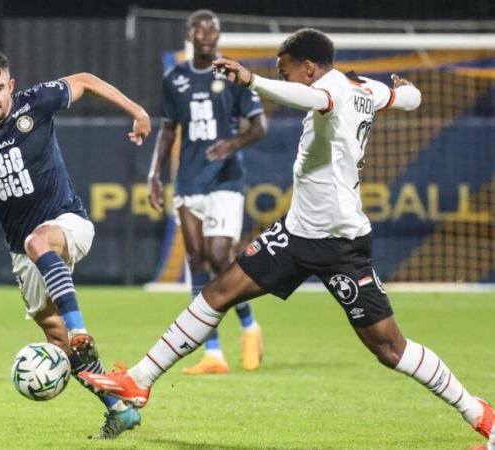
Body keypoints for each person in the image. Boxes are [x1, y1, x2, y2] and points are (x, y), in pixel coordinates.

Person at [79, 29, 495, 449]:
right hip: (296, 232)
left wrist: (253, 81)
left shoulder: (329, 89)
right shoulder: (364, 85)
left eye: (288, 71)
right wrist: (408, 92)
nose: (287, 77)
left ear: (309, 68)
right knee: (218, 292)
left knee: (390, 350)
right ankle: (138, 381)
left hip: (339, 243)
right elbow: (407, 99)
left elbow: (314, 99)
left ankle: (481, 415)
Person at [0, 47, 151, 439]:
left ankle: (80, 326)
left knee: (41, 241)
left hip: (68, 223)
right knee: (59, 343)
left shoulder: (35, 102)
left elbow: (85, 79)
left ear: (10, 85)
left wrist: (137, 110)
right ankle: (119, 410)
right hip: (23, 252)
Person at [148, 9, 267, 374]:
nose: (206, 36)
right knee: (195, 259)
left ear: (218, 36)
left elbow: (259, 125)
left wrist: (232, 144)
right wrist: (155, 174)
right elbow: (168, 130)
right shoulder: (176, 79)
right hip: (189, 179)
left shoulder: (231, 74)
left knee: (219, 256)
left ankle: (250, 327)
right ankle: (213, 352)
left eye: (212, 30)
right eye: (199, 30)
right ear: (190, 35)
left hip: (226, 178)